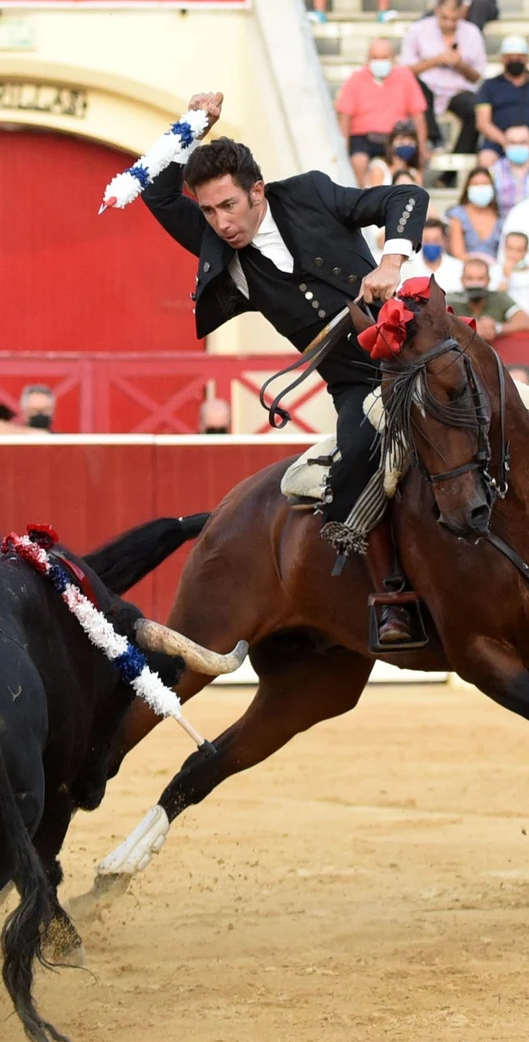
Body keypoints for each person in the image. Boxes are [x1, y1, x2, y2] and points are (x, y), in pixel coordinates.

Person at [139, 93, 429, 646]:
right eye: (209, 211)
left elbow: (406, 195)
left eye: (229, 206)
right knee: (354, 467)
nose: (222, 224)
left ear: (257, 191)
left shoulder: (312, 194)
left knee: (513, 416)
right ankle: (392, 598)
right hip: (357, 383)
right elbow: (155, 190)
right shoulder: (212, 244)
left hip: (418, 353)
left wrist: (391, 261)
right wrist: (193, 126)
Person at [335, 40, 426, 187]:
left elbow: (418, 114)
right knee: (359, 161)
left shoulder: (405, 77)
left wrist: (422, 146)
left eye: (384, 57)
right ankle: (362, 199)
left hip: (396, 135)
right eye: (375, 57)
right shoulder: (355, 79)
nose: (379, 62)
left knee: (406, 156)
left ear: (393, 58)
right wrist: (342, 147)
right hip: (363, 137)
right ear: (367, 59)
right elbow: (344, 115)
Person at [399, 0, 484, 153]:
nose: (449, 24)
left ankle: (453, 168)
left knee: (476, 109)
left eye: (454, 19)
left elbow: (477, 76)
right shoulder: (418, 30)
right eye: (445, 18)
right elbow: (406, 70)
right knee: (416, 90)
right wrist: (436, 60)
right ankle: (434, 138)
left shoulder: (472, 32)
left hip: (458, 90)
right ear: (437, 11)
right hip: (427, 86)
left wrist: (460, 65)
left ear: (462, 13)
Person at [473, 37, 529, 167]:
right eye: (510, 57)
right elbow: (483, 122)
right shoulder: (489, 85)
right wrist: (506, 142)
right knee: (486, 160)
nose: (514, 61)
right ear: (502, 59)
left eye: (519, 57)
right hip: (498, 142)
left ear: (527, 59)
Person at [450, 255, 529, 340]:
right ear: (462, 280)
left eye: (480, 279)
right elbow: (438, 325)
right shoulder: (452, 300)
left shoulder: (498, 298)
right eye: (469, 278)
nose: (475, 283)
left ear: (488, 280)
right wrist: (470, 328)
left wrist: (497, 328)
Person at [443, 168, 500, 261]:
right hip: (465, 269)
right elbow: (458, 253)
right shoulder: (457, 215)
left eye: (485, 184)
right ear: (467, 188)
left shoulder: (499, 216)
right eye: (475, 184)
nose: (480, 188)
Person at [485, 125, 529, 215]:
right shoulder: (493, 171)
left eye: (523, 142)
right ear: (504, 145)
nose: (517, 146)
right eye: (512, 143)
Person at [400, 218, 460, 291]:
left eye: (435, 240)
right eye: (426, 241)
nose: (431, 244)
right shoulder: (407, 266)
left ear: (444, 241)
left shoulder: (457, 268)